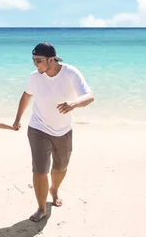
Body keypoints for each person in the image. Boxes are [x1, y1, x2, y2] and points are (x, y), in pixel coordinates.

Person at [12, 42, 94, 222]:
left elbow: (89, 96)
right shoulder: (35, 77)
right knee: (40, 170)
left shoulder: (70, 73)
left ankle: (54, 189)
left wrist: (74, 104)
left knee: (61, 167)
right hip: (38, 128)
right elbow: (26, 95)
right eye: (33, 59)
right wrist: (18, 119)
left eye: (38, 60)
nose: (35, 63)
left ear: (51, 59)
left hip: (63, 131)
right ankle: (41, 208)